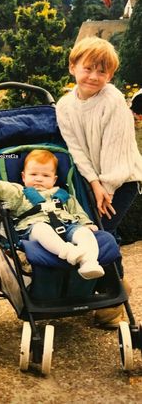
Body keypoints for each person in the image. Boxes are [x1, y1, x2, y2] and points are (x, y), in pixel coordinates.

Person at [56, 36, 142, 327]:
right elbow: (76, 149)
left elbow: (117, 152)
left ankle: (111, 298)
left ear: (111, 75)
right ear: (73, 67)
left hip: (123, 179)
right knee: (103, 234)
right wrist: (93, 184)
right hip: (93, 181)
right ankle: (116, 290)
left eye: (102, 71)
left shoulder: (114, 100)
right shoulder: (65, 105)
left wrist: (106, 188)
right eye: (88, 68)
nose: (94, 76)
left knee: (101, 231)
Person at [0, 149, 105, 280]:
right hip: (33, 228)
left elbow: (77, 212)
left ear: (54, 179)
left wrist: (86, 223)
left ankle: (89, 263)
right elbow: (6, 189)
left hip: (67, 225)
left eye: (45, 176)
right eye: (33, 174)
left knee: (85, 233)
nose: (39, 179)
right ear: (23, 176)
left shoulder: (63, 195)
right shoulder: (20, 193)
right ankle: (70, 252)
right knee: (41, 229)